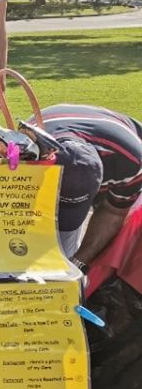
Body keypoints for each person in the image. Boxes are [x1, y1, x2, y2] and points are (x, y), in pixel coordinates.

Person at [35, 104, 142, 271]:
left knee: (121, 246)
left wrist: (76, 265)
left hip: (119, 155)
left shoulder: (132, 164)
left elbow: (114, 213)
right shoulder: (28, 155)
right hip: (49, 136)